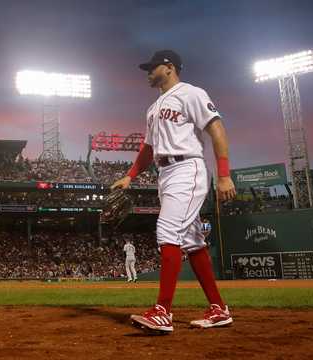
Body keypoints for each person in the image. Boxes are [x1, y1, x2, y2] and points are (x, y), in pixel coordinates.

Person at [112, 50, 236, 334]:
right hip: (165, 174)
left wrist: (225, 174)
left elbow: (217, 130)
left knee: (168, 231)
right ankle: (219, 309)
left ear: (168, 68)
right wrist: (130, 176)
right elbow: (148, 148)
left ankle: (162, 312)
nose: (147, 71)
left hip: (187, 168)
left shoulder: (190, 93)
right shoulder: (153, 108)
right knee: (192, 241)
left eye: (152, 67)